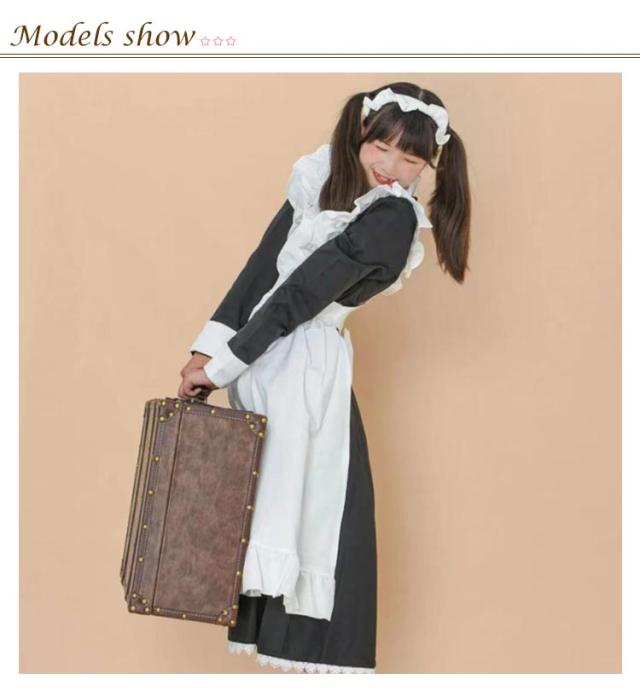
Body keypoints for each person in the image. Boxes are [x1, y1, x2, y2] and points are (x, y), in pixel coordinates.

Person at [177, 82, 471, 673]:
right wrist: (204, 351)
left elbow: (301, 296)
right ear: (360, 134)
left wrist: (224, 363)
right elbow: (262, 268)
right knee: (258, 505)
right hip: (260, 363)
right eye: (381, 147)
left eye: (411, 159)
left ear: (429, 165)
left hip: (305, 369)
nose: (391, 167)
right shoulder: (320, 180)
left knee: (318, 515)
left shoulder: (391, 219)